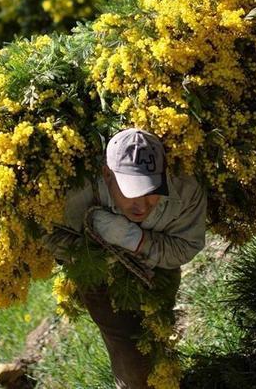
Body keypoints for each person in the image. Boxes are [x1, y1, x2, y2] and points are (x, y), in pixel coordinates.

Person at [42, 128, 207, 389]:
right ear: (107, 175)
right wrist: (96, 249)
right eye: (132, 191)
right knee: (126, 344)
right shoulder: (73, 193)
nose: (142, 205)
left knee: (153, 333)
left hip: (157, 271)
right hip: (95, 272)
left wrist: (136, 240)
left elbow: (187, 246)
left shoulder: (185, 190)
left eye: (152, 190)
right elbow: (46, 237)